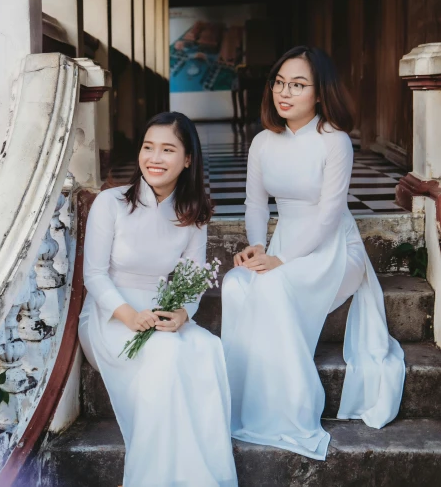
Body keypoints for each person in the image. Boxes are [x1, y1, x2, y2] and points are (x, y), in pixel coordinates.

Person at [221, 46, 405, 460]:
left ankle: (291, 408)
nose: (285, 93)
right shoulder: (263, 143)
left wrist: (281, 261)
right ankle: (243, 401)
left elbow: (328, 216)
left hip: (335, 249)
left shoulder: (335, 142)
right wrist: (257, 247)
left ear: (320, 93)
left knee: (270, 288)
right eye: (280, 83)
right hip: (283, 243)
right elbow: (255, 204)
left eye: (298, 85)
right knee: (236, 285)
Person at [78, 112, 238, 486]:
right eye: (148, 147)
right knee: (167, 354)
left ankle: (199, 474)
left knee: (206, 349)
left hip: (161, 311)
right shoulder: (111, 202)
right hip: (110, 315)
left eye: (167, 149)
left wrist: (183, 313)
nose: (154, 158)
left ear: (187, 160)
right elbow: (94, 276)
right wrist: (130, 316)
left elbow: (193, 280)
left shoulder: (192, 214)